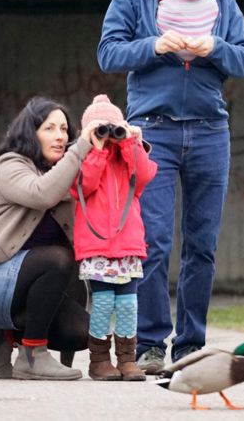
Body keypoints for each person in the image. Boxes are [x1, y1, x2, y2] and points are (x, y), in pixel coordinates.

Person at [96, 0, 244, 374]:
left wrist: (214, 47)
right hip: (152, 133)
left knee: (202, 245)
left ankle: (189, 345)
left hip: (211, 131)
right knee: (153, 242)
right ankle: (149, 343)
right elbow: (108, 54)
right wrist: (152, 44)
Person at [0, 96, 98, 381]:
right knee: (55, 257)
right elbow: (42, 193)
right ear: (31, 133)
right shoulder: (9, 165)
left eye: (65, 129)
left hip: (26, 284)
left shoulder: (62, 174)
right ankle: (31, 354)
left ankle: (8, 334)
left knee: (82, 334)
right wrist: (79, 151)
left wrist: (119, 151)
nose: (60, 136)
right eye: (49, 128)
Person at [71, 94, 157, 381]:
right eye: (101, 129)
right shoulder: (82, 157)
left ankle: (127, 359)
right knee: (104, 303)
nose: (108, 135)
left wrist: (130, 142)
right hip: (97, 247)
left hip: (127, 245)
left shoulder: (128, 156)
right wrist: (96, 150)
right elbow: (83, 186)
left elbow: (145, 175)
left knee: (128, 304)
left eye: (113, 128)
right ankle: (99, 361)